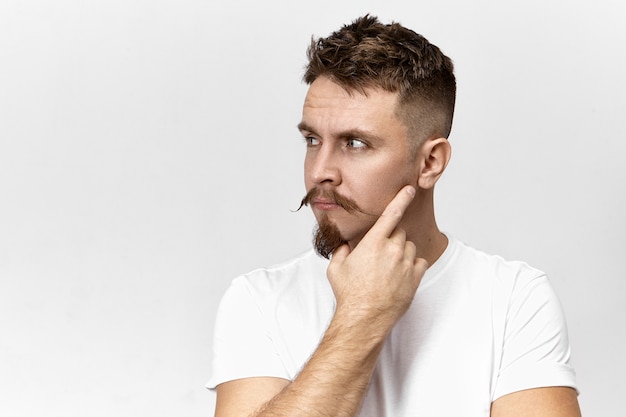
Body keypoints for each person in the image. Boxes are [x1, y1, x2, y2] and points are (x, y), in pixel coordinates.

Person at [207, 15, 581, 416]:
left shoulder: (514, 298)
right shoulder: (258, 299)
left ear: (430, 163)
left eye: (354, 143)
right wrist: (361, 316)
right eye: (312, 140)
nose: (319, 172)